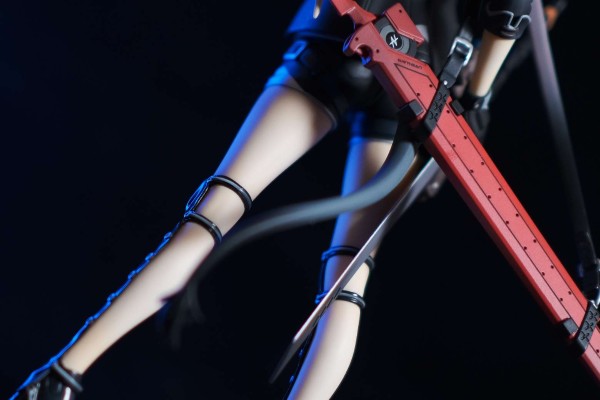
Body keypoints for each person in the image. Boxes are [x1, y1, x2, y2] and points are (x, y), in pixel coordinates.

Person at [10, 0, 563, 399]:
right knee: (346, 280)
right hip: (411, 74)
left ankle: (60, 379)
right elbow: (508, 15)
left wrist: (468, 104)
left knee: (217, 215)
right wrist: (475, 99)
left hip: (362, 45)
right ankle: (60, 378)